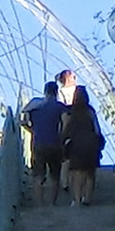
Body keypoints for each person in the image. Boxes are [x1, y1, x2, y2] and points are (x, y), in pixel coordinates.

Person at [24, 78, 68, 206]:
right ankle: (52, 203)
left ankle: (40, 204)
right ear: (56, 92)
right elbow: (66, 122)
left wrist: (32, 130)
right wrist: (62, 136)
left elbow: (24, 121)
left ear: (45, 92)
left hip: (38, 143)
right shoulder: (59, 107)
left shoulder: (35, 105)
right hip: (55, 143)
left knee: (38, 175)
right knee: (54, 175)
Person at [60, 80, 105, 205]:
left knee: (77, 172)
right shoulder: (90, 111)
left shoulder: (71, 111)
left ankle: (77, 198)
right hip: (90, 143)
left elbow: (66, 128)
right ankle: (88, 197)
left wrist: (63, 141)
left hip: (76, 144)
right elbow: (96, 128)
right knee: (90, 172)